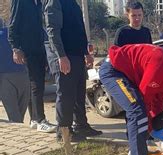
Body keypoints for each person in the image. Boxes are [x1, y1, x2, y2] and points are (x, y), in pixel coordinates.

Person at [44, 0, 102, 142]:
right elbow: (53, 30)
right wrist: (61, 56)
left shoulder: (73, 3)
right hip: (64, 55)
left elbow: (79, 29)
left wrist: (86, 52)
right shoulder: (55, 2)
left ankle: (81, 126)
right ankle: (64, 131)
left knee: (78, 93)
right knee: (66, 95)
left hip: (76, 54)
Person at [8, 0, 56, 132]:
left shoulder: (39, 3)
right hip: (27, 48)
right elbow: (13, 23)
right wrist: (15, 48)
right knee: (36, 84)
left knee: (35, 84)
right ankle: (41, 120)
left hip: (39, 47)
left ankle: (34, 119)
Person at [0, 19, 30, 123]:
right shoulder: (16, 35)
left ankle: (21, 136)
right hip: (24, 75)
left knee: (15, 119)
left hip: (6, 79)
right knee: (20, 116)